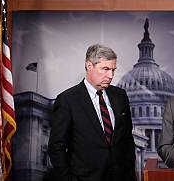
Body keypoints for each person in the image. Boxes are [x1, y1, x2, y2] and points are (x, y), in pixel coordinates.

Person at [48, 44, 136, 181]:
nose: (111, 75)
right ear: (89, 66)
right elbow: (56, 147)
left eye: (113, 70)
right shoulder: (67, 100)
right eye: (105, 69)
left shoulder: (120, 96)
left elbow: (127, 140)